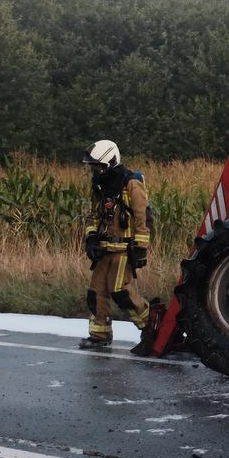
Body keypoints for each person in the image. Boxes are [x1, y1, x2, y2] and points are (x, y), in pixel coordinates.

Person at [80, 140, 153, 350]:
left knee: (121, 292)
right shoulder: (99, 187)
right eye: (92, 167)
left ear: (110, 162)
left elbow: (143, 218)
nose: (94, 171)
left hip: (124, 249)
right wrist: (91, 238)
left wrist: (140, 247)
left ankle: (151, 330)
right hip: (104, 249)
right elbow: (93, 216)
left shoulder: (131, 184)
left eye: (98, 166)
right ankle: (99, 334)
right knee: (96, 292)